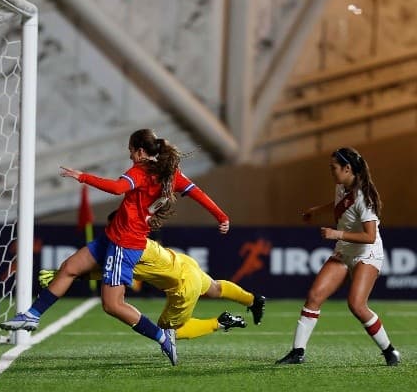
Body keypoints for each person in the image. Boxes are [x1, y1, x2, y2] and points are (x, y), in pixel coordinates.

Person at [0, 129, 230, 366]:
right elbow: (198, 194)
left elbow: (118, 188)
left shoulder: (141, 172)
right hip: (114, 237)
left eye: (131, 150)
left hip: (125, 243)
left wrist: (83, 177)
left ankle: (162, 337)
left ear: (140, 151)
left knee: (112, 305)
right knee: (69, 267)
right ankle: (32, 315)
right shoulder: (171, 174)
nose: (130, 155)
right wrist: (222, 217)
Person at [276, 147, 400, 366]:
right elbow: (340, 207)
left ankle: (390, 351)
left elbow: (370, 236)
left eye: (333, 168)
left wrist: (336, 234)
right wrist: (316, 210)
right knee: (314, 296)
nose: (331, 172)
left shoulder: (364, 198)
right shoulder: (341, 186)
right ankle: (298, 352)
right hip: (345, 250)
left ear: (347, 168)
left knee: (357, 305)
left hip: (367, 253)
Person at [39, 237, 266, 340]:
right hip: (186, 264)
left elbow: (105, 271)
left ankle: (220, 322)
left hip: (183, 286)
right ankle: (253, 300)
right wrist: (70, 275)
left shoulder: (123, 253)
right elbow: (105, 270)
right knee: (215, 288)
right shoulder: (139, 241)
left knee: (166, 332)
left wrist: (70, 275)